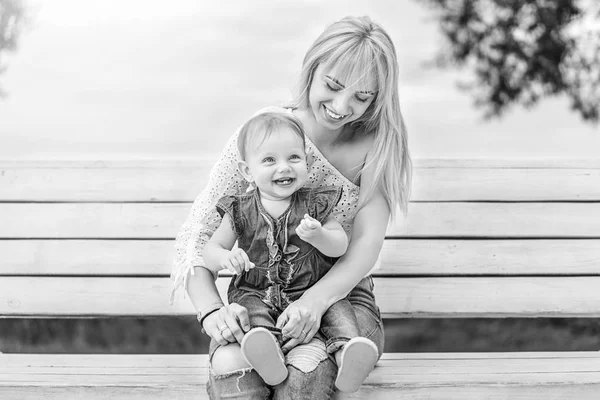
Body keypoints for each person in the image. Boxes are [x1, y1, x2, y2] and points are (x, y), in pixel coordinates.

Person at [171, 15, 412, 399]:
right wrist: (212, 311)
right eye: (332, 87)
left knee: (302, 378)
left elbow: (365, 249)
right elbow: (197, 238)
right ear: (312, 69)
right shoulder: (266, 135)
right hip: (262, 294)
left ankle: (336, 353)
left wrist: (314, 304)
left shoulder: (376, 150)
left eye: (361, 97)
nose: (340, 106)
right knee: (236, 374)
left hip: (340, 298)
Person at [203, 110, 379, 392]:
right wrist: (225, 257)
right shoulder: (239, 209)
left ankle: (347, 353)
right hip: (256, 290)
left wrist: (320, 235)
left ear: (307, 163)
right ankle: (267, 349)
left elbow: (340, 245)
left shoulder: (314, 205)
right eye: (269, 160)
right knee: (252, 314)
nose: (284, 167)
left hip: (310, 290)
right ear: (247, 171)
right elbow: (211, 249)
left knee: (337, 312)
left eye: (293, 158)